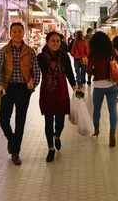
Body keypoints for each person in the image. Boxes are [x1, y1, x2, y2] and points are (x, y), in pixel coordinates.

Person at [0, 22, 41, 166]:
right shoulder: (4, 51)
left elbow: (36, 70)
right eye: (14, 31)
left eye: (19, 31)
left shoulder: (29, 51)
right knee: (3, 119)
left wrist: (33, 85)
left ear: (24, 33)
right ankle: (11, 138)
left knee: (20, 121)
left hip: (23, 89)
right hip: (8, 88)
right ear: (10, 33)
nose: (17, 34)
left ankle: (16, 152)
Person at [38, 31, 78, 162]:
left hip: (61, 91)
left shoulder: (65, 57)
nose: (55, 43)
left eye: (57, 41)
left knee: (60, 121)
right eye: (52, 41)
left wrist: (75, 87)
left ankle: (57, 136)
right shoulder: (40, 57)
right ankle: (50, 148)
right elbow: (33, 71)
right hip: (47, 92)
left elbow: (70, 74)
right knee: (48, 121)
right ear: (47, 42)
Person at [87, 31, 118, 147]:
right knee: (112, 110)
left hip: (98, 86)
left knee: (96, 109)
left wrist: (96, 72)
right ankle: (112, 136)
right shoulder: (112, 52)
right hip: (112, 85)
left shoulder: (93, 55)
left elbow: (88, 70)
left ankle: (96, 129)